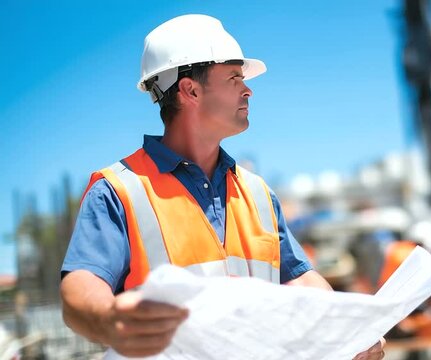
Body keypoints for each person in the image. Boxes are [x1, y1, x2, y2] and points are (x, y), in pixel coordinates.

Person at [59, 14, 384, 360]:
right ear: (190, 90)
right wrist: (108, 321)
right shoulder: (118, 190)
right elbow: (81, 287)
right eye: (233, 78)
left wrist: (348, 331)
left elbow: (300, 281)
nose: (248, 90)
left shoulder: (257, 193)